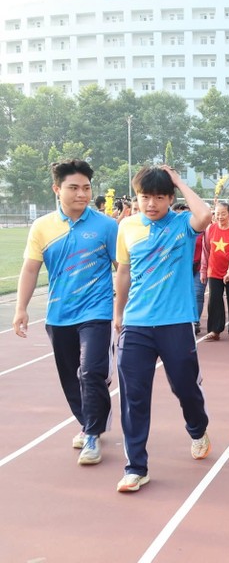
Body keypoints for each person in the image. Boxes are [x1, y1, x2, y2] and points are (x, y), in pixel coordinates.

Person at [113, 165, 213, 493]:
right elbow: (124, 273)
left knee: (185, 387)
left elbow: (205, 214)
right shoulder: (127, 227)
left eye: (159, 197)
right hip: (137, 325)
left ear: (170, 198)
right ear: (137, 198)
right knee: (134, 396)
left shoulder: (183, 224)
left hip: (175, 324)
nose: (151, 203)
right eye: (145, 197)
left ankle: (197, 429)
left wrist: (181, 181)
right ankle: (136, 467)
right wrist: (119, 313)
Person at [13, 159, 118, 466]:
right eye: (73, 188)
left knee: (91, 372)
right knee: (72, 377)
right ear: (57, 189)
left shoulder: (107, 226)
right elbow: (31, 268)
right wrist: (21, 308)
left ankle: (92, 433)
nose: (81, 194)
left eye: (86, 188)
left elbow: (122, 269)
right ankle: (89, 420)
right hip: (59, 315)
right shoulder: (42, 227)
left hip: (97, 311)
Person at [201, 200, 229, 340]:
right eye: (217, 214)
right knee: (214, 299)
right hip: (214, 271)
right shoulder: (209, 229)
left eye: (223, 214)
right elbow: (205, 251)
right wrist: (203, 270)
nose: (220, 217)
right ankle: (214, 330)